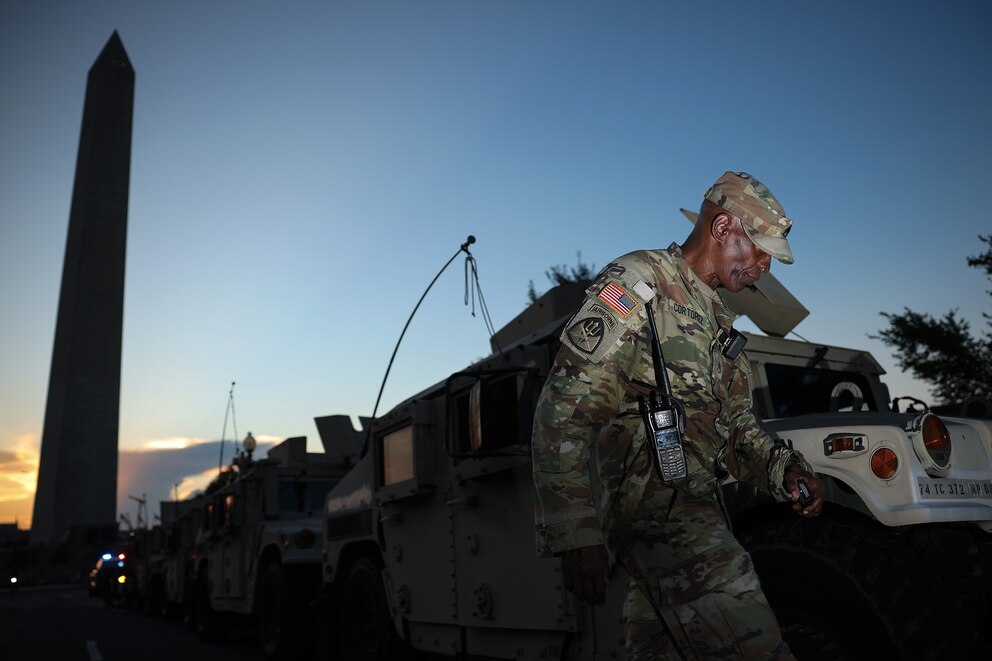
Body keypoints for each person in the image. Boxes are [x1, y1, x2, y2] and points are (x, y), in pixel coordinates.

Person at [531, 171, 824, 660]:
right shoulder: (640, 283)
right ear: (723, 227)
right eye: (760, 250)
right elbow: (564, 409)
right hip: (662, 515)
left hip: (694, 514)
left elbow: (737, 432)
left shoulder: (721, 323)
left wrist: (785, 471)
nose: (765, 265)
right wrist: (574, 531)